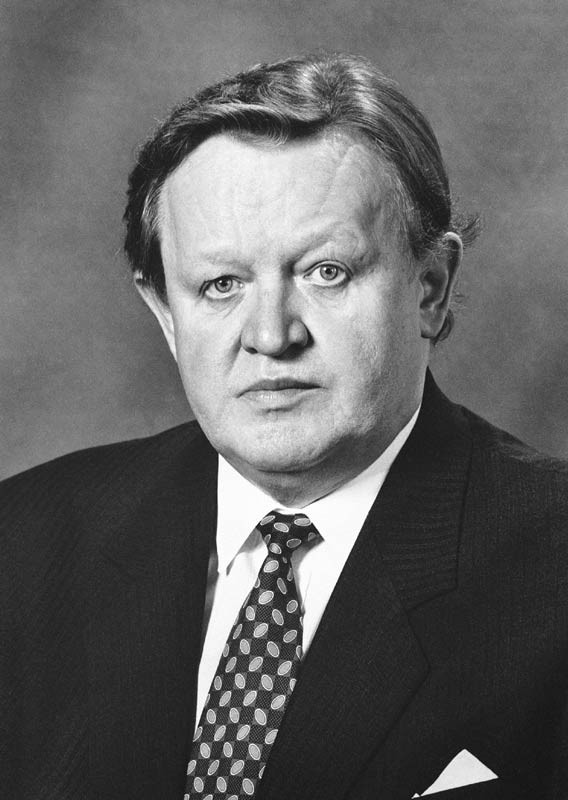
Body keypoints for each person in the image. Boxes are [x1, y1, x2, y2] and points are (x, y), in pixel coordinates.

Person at [1, 53, 567, 800]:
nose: (270, 335)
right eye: (221, 284)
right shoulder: (23, 544)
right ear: (166, 314)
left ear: (430, 287)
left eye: (326, 272)